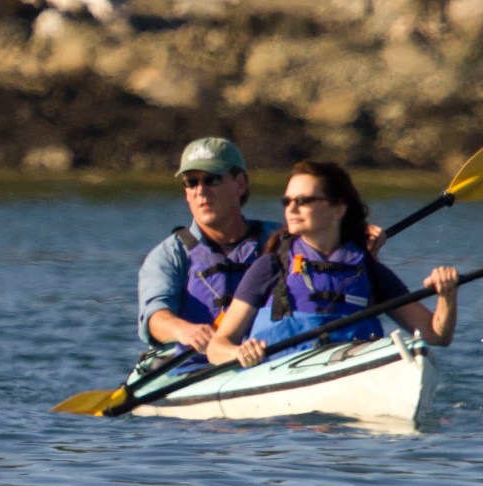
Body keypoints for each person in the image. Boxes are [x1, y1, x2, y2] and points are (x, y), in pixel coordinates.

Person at [205, 160, 458, 368]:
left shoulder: (367, 270)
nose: (291, 209)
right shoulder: (270, 266)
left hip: (350, 372)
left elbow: (436, 334)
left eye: (303, 201)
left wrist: (447, 296)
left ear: (337, 210)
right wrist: (239, 352)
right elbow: (217, 348)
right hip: (280, 380)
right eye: (287, 201)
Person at [136, 137, 279, 359]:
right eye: (191, 182)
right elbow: (155, 319)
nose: (200, 191)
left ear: (240, 184)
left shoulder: (278, 241)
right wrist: (184, 330)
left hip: (269, 361)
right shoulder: (167, 256)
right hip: (195, 371)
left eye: (211, 180)